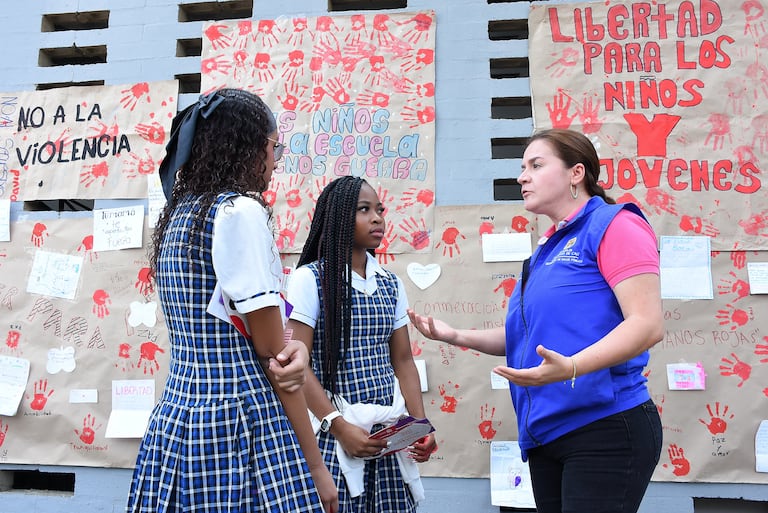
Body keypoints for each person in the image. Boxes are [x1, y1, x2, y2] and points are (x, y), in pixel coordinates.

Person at [409, 128, 664, 513]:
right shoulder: (546, 249)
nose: (521, 176)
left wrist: (573, 367)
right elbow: (524, 336)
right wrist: (455, 334)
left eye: (535, 165)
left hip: (605, 426)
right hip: (546, 434)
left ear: (576, 173)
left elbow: (647, 324)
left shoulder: (614, 225)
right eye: (521, 167)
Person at [126, 88, 338, 513]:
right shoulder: (239, 213)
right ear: (249, 146)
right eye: (274, 148)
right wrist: (316, 467)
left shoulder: (182, 215)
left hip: (178, 420)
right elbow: (276, 360)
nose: (275, 163)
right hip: (239, 425)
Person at [285, 176, 436, 513]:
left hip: (389, 438)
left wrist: (420, 424)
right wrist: (339, 427)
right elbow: (298, 367)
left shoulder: (391, 284)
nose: (378, 218)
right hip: (334, 436)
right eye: (364, 210)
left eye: (379, 210)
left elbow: (403, 361)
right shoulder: (309, 280)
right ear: (338, 216)